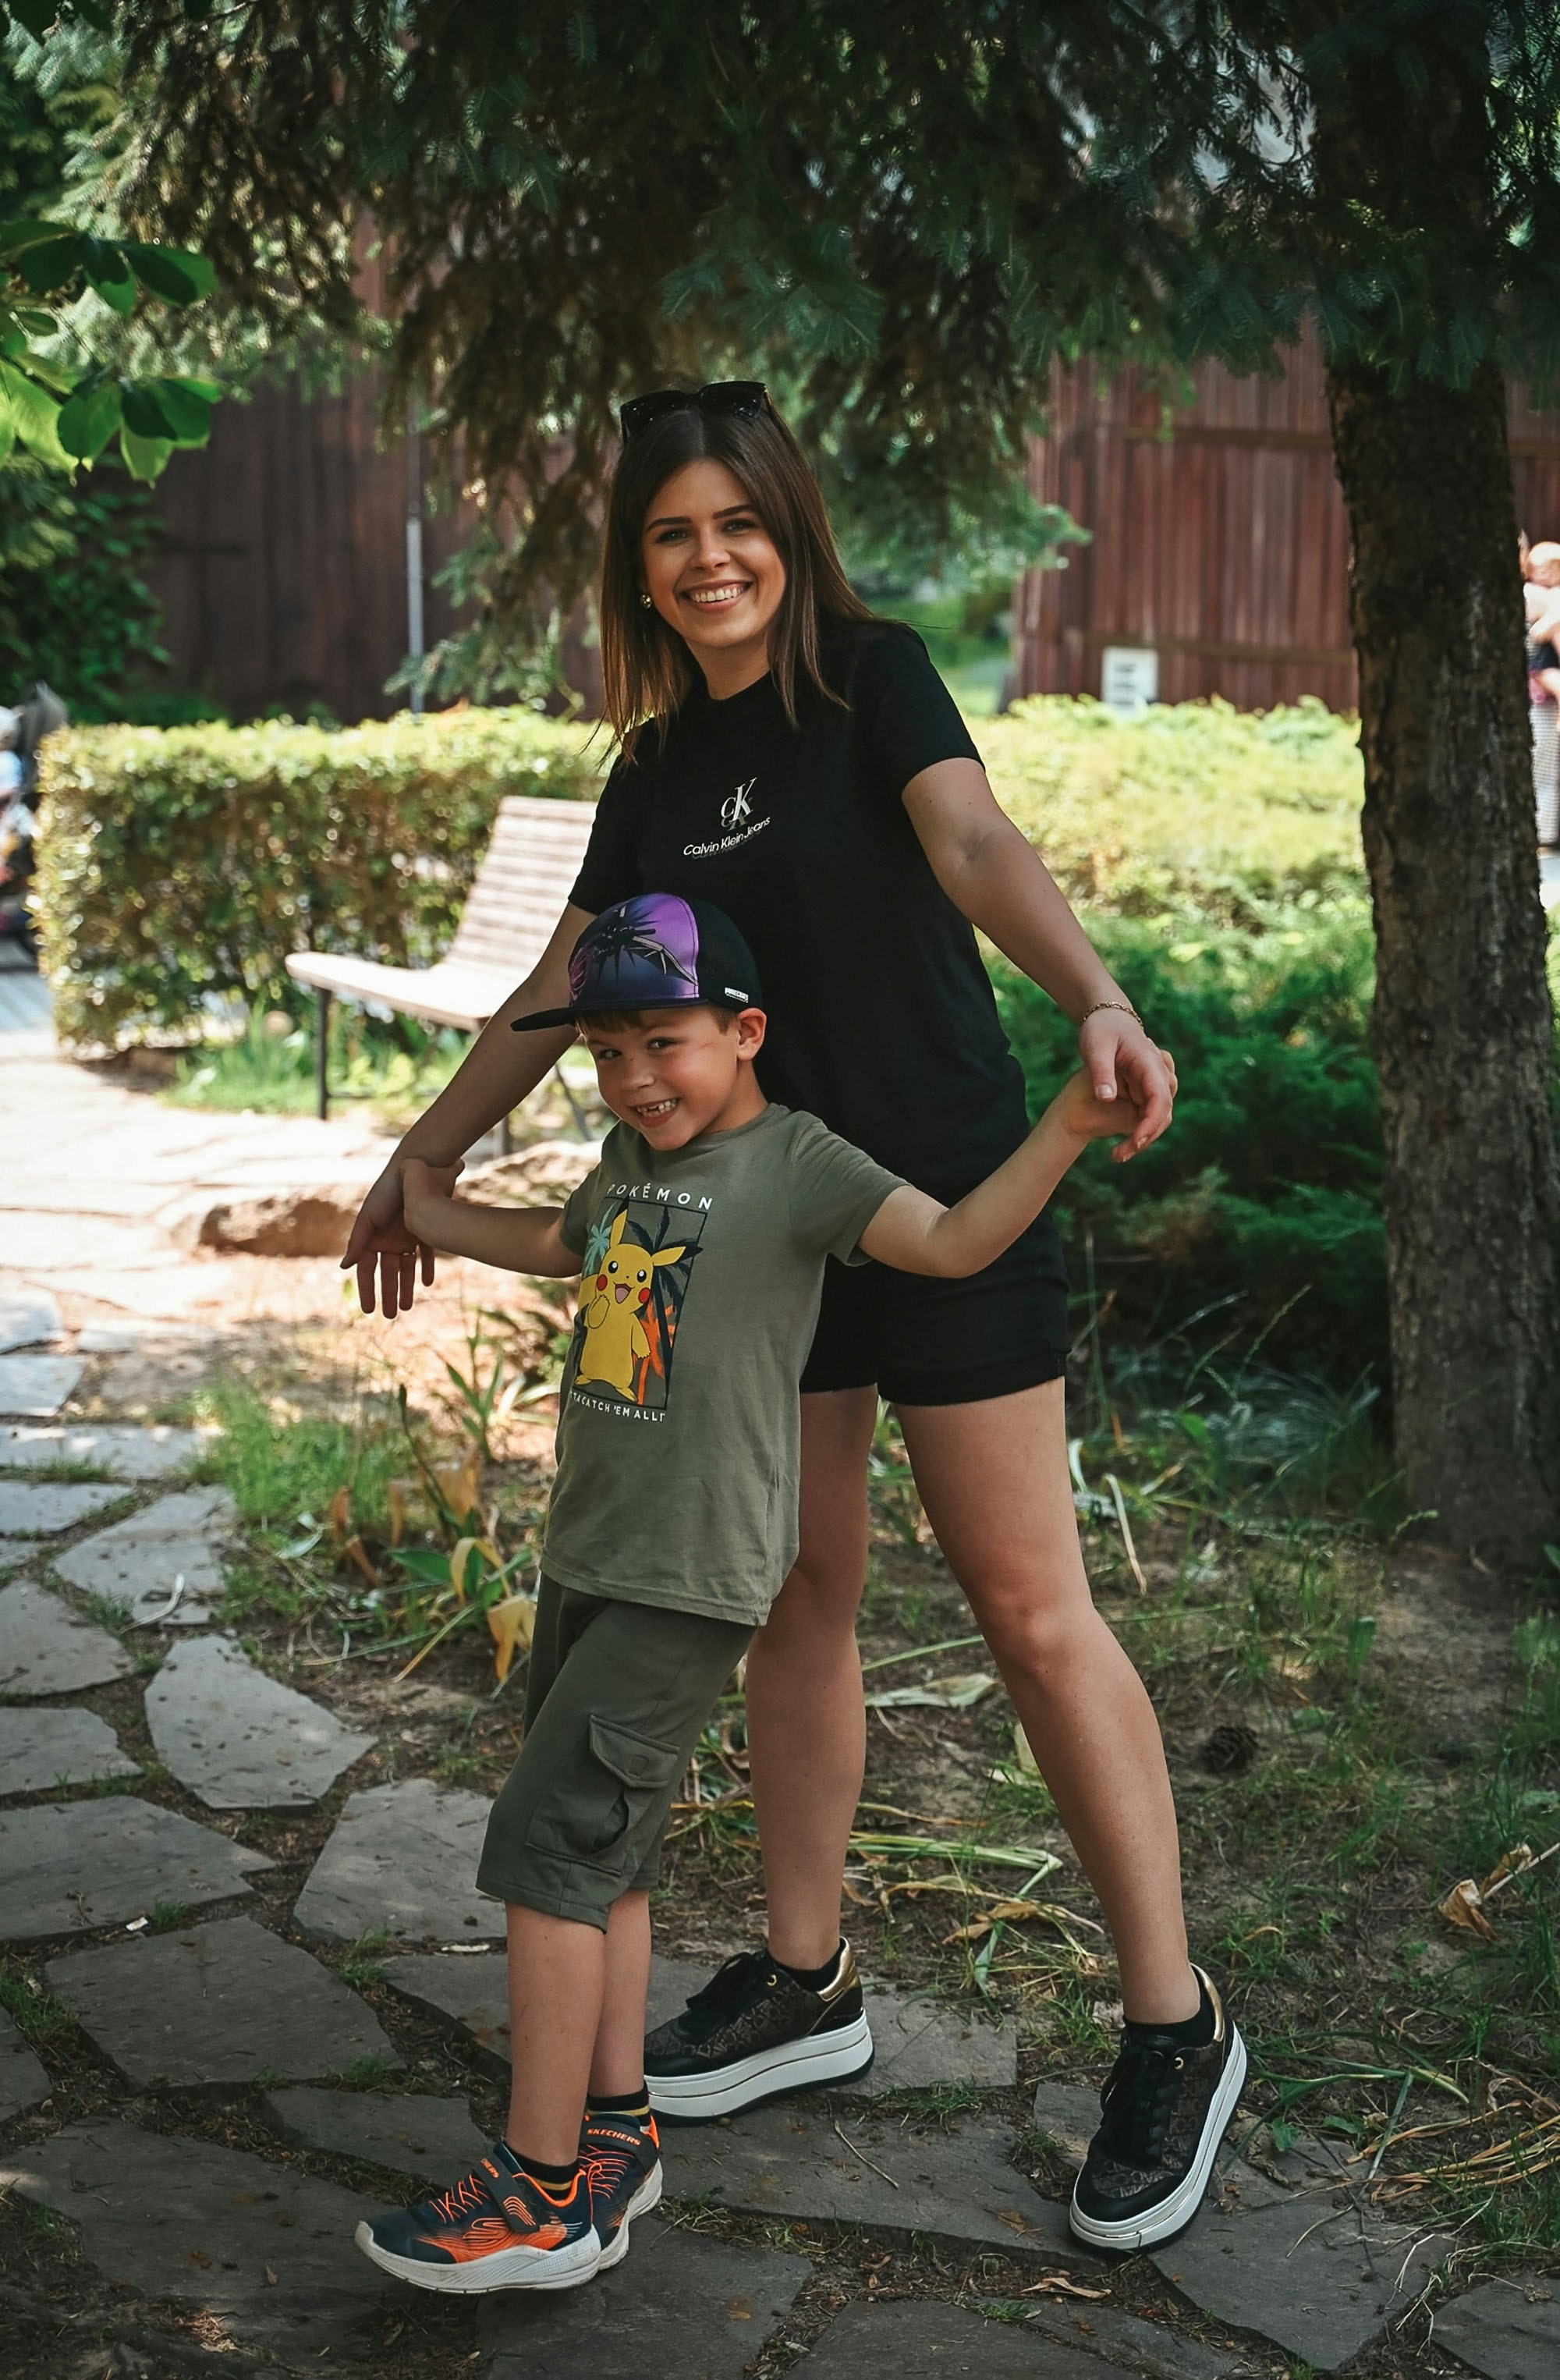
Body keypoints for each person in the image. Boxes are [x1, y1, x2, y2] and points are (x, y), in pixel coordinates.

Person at [342, 381, 1226, 2253]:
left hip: (932, 1194)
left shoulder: (873, 680)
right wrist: (412, 1157)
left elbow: (973, 843)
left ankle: (1173, 2015)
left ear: (786, 528)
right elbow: (560, 979)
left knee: (1022, 1603)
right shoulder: (648, 773)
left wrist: (1094, 992)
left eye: (733, 519)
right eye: (668, 530)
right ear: (637, 568)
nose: (707, 555)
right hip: (758, 1241)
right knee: (796, 1588)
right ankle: (809, 1978)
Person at [354, 890, 1216, 2295]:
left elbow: (946, 1243)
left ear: (744, 1032)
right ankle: (619, 2125)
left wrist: (1062, 1125)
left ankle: (543, 2188)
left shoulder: (801, 1166)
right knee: (603, 1851)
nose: (636, 1077)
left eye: (666, 1043)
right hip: (589, 1555)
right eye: (607, 1053)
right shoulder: (629, 1163)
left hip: (690, 1578)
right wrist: (424, 1197)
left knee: (549, 1847)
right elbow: (558, 1245)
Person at [1523, 539, 1560, 847]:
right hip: (1539, 689)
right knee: (1543, 768)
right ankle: (1542, 833)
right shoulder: (1540, 595)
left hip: (1541, 692)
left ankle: (1542, 834)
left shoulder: (1544, 596)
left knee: (1542, 768)